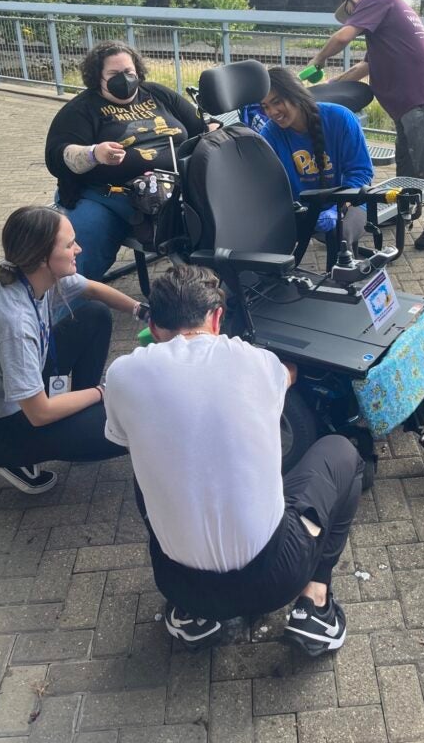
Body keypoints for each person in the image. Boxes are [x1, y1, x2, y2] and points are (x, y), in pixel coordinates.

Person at [103, 264, 363, 655]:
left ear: (154, 327)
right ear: (218, 318)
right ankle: (316, 603)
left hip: (180, 584)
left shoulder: (121, 375)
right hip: (276, 577)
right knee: (342, 452)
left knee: (145, 465)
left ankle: (193, 617)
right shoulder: (256, 362)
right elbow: (285, 376)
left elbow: (126, 439)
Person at [0, 206, 145, 494]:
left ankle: (79, 418)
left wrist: (142, 311)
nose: (78, 248)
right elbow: (39, 412)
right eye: (68, 244)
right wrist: (103, 391)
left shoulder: (28, 273)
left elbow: (93, 290)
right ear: (41, 259)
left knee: (94, 315)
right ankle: (20, 453)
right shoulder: (13, 322)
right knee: (131, 421)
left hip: (20, 393)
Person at [309, 0, 424, 251]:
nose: (355, 17)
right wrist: (329, 87)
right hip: (409, 96)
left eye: (351, 12)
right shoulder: (387, 14)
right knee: (407, 159)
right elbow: (364, 66)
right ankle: (404, 211)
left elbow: (343, 37)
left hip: (419, 90)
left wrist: (317, 61)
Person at [45, 40, 207, 280]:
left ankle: (210, 278)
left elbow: (200, 126)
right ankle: (65, 300)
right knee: (85, 240)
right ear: (97, 77)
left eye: (129, 72)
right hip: (108, 196)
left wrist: (214, 128)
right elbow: (57, 156)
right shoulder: (82, 109)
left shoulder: (157, 94)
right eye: (114, 74)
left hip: (171, 187)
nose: (124, 79)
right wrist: (94, 154)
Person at [260, 66, 374, 256]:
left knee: (341, 235)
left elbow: (361, 172)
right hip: (303, 207)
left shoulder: (340, 118)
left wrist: (339, 206)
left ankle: (343, 282)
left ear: (296, 94)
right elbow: (268, 184)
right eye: (265, 106)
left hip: (350, 201)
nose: (271, 112)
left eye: (277, 102)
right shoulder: (270, 133)